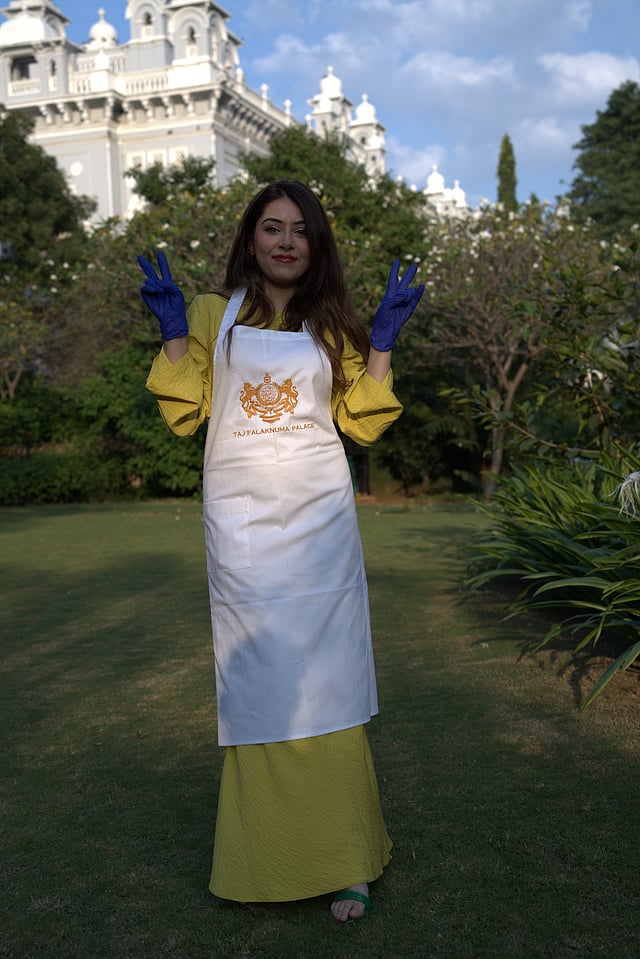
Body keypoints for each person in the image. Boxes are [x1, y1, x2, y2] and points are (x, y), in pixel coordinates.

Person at [139, 179, 423, 923]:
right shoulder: (213, 313)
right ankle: (262, 861)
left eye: (300, 229)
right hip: (243, 534)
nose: (286, 241)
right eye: (272, 228)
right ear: (252, 239)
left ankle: (347, 861)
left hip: (320, 530)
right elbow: (185, 409)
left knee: (328, 683)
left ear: (317, 241)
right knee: (260, 684)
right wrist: (174, 334)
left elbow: (361, 423)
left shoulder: (333, 326)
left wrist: (382, 346)